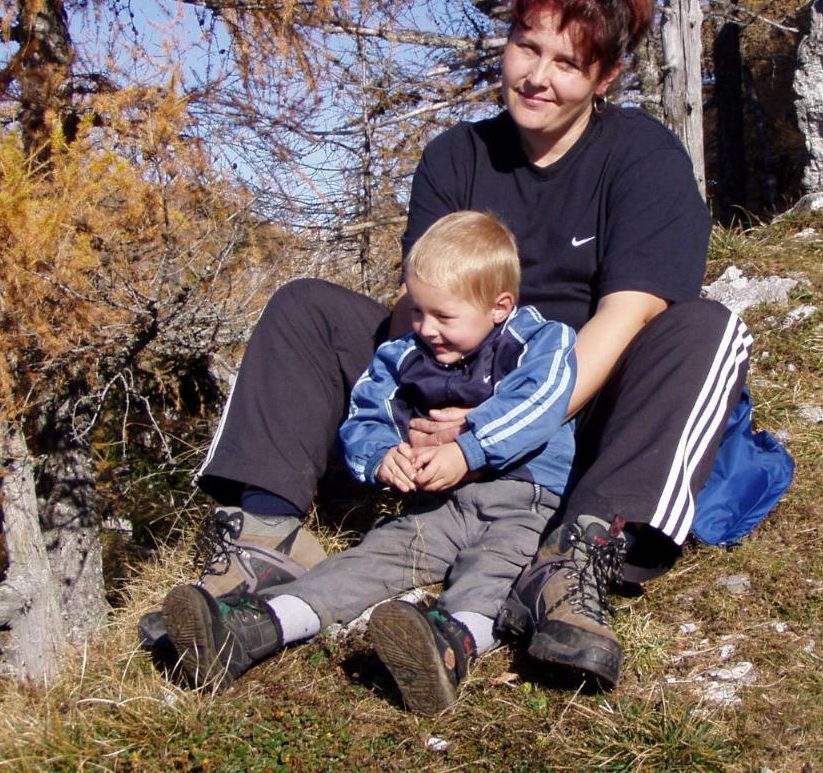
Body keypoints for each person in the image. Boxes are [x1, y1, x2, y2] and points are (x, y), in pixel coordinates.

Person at [157, 0, 752, 691]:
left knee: (705, 330)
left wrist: (486, 430)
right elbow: (419, 306)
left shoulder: (642, 157)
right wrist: (427, 402)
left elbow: (623, 321)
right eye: (525, 47)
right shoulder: (456, 158)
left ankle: (576, 557)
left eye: (567, 63)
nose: (537, 76)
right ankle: (266, 536)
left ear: (604, 76)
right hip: (458, 378)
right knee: (306, 306)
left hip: (578, 407)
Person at [161, 212, 578, 712]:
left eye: (444, 317)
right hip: (439, 505)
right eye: (418, 311)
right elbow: (366, 414)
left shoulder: (542, 342)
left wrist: (468, 450)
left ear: (499, 307)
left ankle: (449, 646)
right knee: (369, 559)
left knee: (495, 573)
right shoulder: (404, 353)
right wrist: (379, 457)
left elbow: (540, 403)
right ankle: (253, 629)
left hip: (525, 501)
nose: (426, 329)